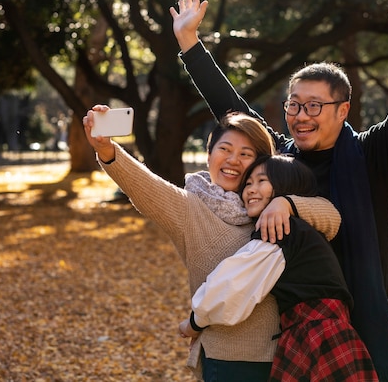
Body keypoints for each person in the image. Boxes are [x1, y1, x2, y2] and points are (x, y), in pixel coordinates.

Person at [170, 0, 388, 381]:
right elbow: (231, 108)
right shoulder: (279, 160)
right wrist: (189, 44)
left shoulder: (373, 155)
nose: (300, 115)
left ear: (343, 109)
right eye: (294, 105)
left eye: (314, 106)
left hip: (363, 320)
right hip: (291, 328)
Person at [83, 107, 341, 381]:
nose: (233, 160)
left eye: (246, 154)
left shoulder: (268, 203)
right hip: (230, 360)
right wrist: (108, 151)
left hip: (291, 356)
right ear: (209, 155)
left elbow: (332, 219)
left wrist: (285, 203)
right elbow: (144, 186)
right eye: (225, 149)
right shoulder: (190, 210)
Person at [179, 154, 379, 381]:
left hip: (317, 335)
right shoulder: (299, 229)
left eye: (261, 181)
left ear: (286, 185)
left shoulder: (280, 228)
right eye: (248, 183)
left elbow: (234, 285)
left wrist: (195, 322)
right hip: (320, 331)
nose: (251, 190)